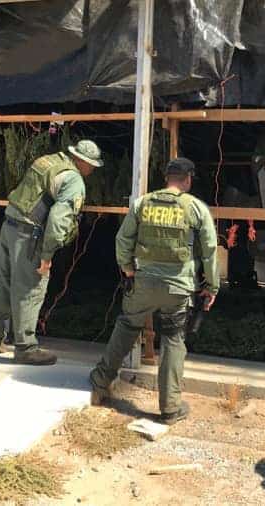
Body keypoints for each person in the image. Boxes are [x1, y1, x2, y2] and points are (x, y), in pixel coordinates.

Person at [89, 157, 219, 424]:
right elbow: (209, 251)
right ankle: (170, 407)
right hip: (179, 287)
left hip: (143, 282)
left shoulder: (142, 204)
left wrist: (127, 268)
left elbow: (123, 239)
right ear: (188, 179)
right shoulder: (196, 208)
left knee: (126, 327)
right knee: (173, 338)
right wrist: (212, 286)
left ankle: (100, 383)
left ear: (166, 178)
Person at [0, 140, 102, 365]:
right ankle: (25, 348)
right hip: (29, 235)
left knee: (5, 283)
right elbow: (58, 220)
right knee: (31, 289)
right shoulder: (74, 181)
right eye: (92, 165)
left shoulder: (48, 161)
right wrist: (47, 255)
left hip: (9, 225)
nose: (92, 170)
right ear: (82, 161)